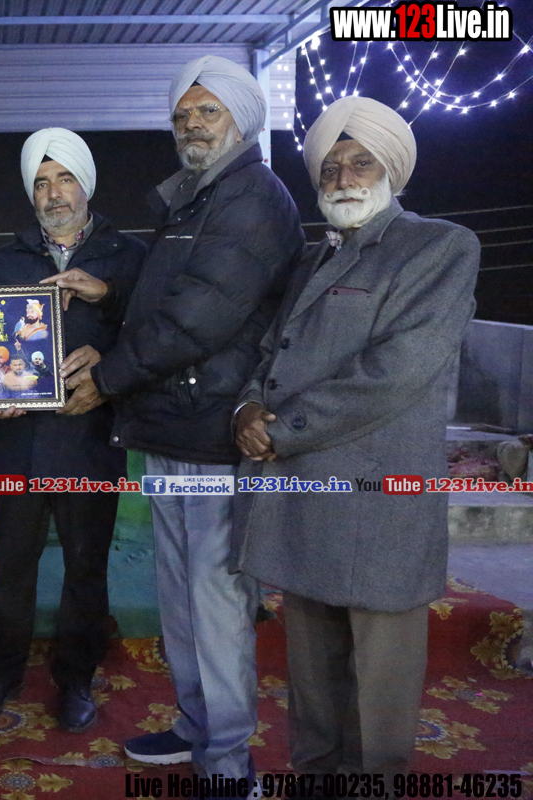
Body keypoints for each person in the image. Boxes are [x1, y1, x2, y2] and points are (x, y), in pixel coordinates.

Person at [51, 56, 304, 781]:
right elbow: (168, 295)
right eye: (182, 114)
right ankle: (197, 729)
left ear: (240, 119)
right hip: (172, 427)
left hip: (215, 435)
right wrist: (111, 291)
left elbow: (197, 318)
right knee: (182, 604)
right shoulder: (197, 197)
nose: (192, 124)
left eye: (207, 111)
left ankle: (227, 765)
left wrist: (108, 378)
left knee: (216, 607)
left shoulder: (252, 197)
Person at [232, 96, 480, 779]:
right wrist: (247, 408)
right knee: (312, 686)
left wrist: (283, 431)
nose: (343, 177)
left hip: (378, 509)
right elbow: (271, 353)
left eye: (361, 163)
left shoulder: (439, 247)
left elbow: (394, 371)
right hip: (303, 499)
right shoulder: (315, 258)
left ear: (391, 170)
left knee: (378, 698)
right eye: (331, 166)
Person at [0, 128, 146, 734]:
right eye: (41, 183)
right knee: (11, 568)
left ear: (85, 184)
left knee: (85, 569)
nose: (54, 193)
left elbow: (153, 337)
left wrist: (107, 361)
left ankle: (75, 679)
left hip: (91, 441)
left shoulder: (128, 257)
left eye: (65, 178)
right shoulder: (6, 261)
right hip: (17, 444)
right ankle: (2, 673)